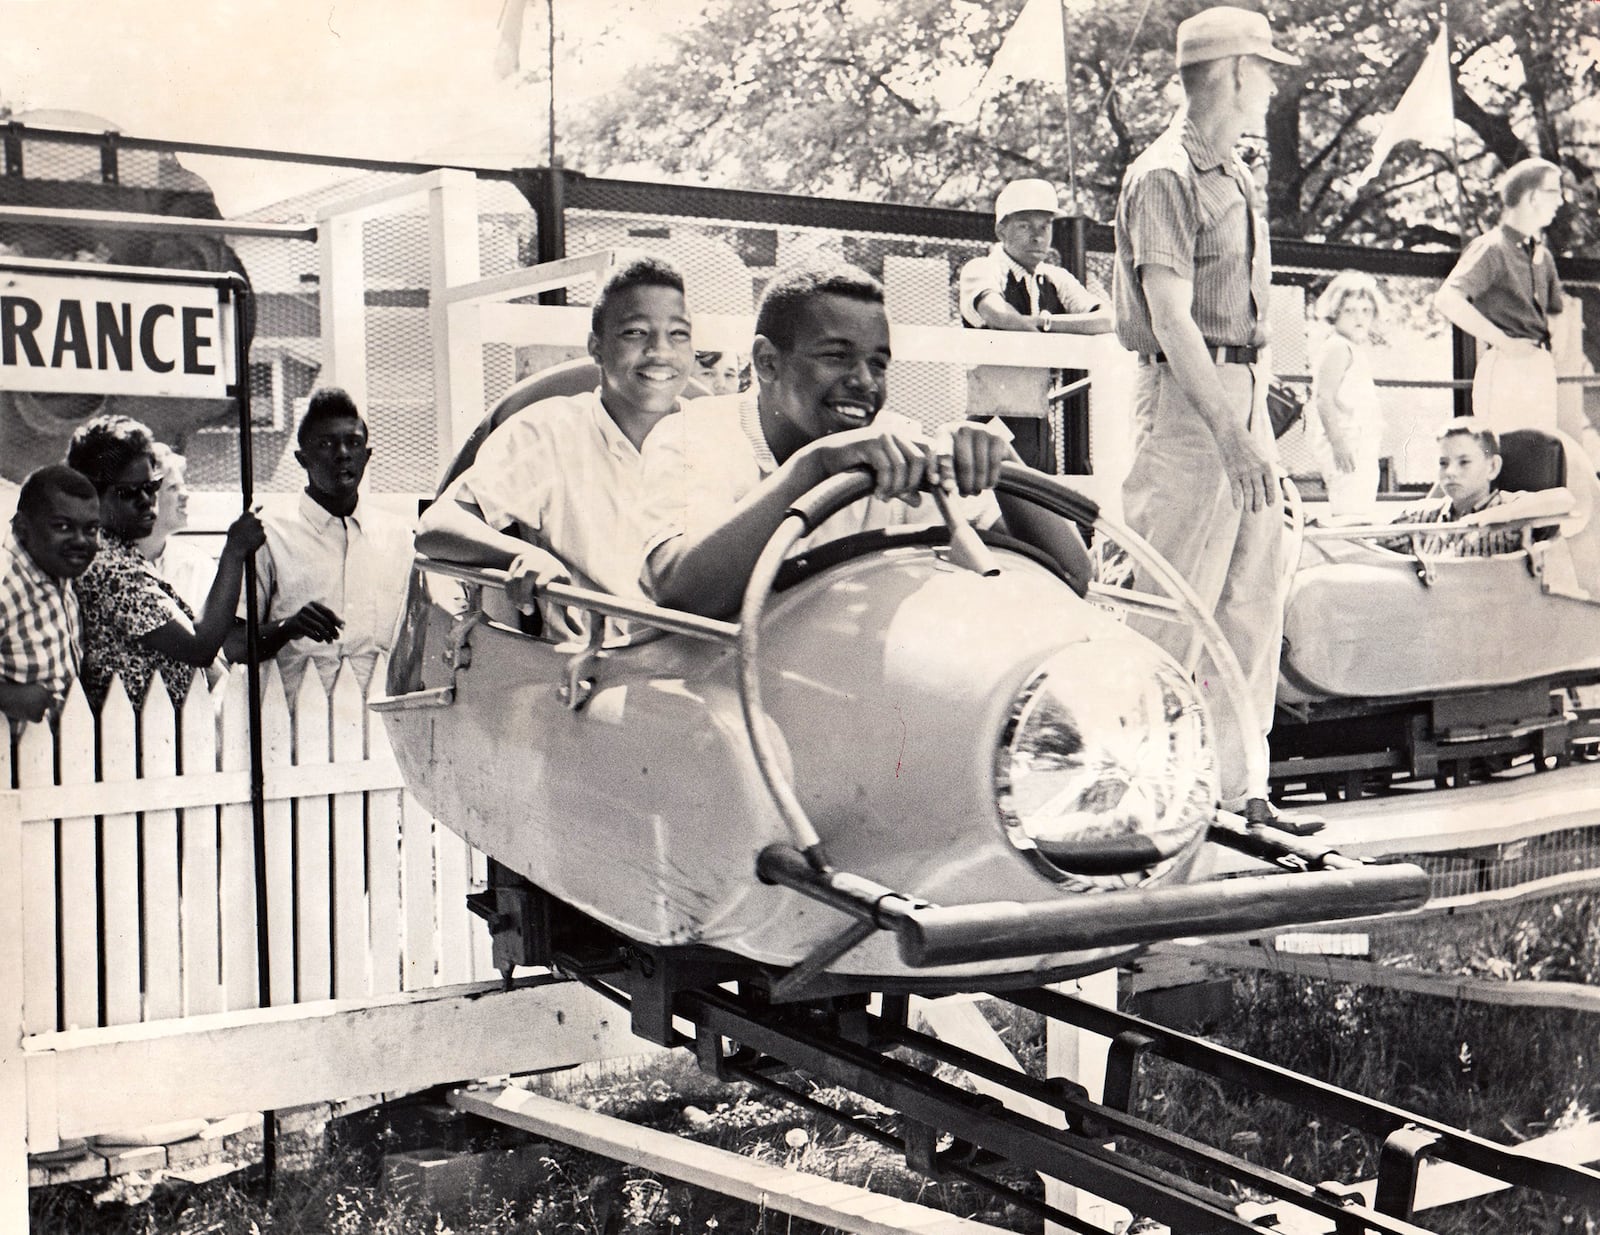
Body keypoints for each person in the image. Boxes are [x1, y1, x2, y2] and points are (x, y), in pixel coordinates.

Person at [1111, 6, 1322, 835]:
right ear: (1233, 72)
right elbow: (1170, 319)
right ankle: (1141, 796)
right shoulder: (1163, 174)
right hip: (1186, 405)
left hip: (1236, 395)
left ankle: (1243, 794)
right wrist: (1232, 433)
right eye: (1265, 69)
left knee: (1250, 597)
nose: (1270, 85)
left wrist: (1252, 413)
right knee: (1173, 603)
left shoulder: (1233, 174)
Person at [640, 262, 1092, 619]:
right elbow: (681, 591)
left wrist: (1003, 469)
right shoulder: (695, 434)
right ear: (767, 361)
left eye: (878, 364)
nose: (864, 382)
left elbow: (1072, 576)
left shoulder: (899, 444)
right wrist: (813, 468)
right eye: (836, 356)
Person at [415, 255, 696, 632]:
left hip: (707, 664)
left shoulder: (719, 436)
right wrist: (524, 556)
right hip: (591, 672)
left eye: (678, 333)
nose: (660, 352)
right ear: (596, 347)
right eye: (635, 332)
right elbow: (436, 526)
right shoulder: (547, 432)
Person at [222, 388, 414, 696]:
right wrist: (289, 628)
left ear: (367, 454)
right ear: (302, 458)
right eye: (325, 444)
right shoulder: (269, 534)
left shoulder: (399, 537)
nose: (342, 454)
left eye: (353, 442)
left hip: (379, 721)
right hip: (293, 720)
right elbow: (233, 645)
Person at [68, 415, 264, 709]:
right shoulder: (109, 567)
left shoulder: (121, 554)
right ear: (91, 495)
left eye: (152, 486)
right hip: (134, 738)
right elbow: (199, 646)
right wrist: (234, 551)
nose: (147, 500)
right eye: (129, 493)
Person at [959, 178, 1112, 472]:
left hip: (1040, 426)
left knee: (1045, 510)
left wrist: (1046, 323)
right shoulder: (983, 268)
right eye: (1024, 225)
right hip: (992, 423)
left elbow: (1107, 319)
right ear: (1001, 229)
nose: (1038, 236)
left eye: (1045, 226)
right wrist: (1050, 337)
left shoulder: (1055, 277)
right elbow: (997, 314)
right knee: (992, 511)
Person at [1433, 158, 1567, 442]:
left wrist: (1551, 351)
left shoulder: (1541, 254)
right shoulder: (1491, 247)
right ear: (1533, 196)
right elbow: (1447, 299)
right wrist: (1506, 343)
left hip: (1538, 365)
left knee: (1540, 455)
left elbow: (1556, 309)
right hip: (1507, 364)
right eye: (1555, 191)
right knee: (1502, 454)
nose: (1561, 201)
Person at [0, 466, 101, 724]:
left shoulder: (59, 570)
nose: (80, 540)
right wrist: (7, 696)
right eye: (63, 526)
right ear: (22, 526)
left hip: (65, 751)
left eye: (91, 529)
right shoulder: (5, 582)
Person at [1378, 421, 1545, 557]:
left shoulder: (1512, 509)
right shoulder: (1421, 516)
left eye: (1464, 462)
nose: (1450, 472)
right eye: (1443, 463)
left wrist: (1492, 516)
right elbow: (1370, 544)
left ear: (1493, 467)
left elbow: (1566, 500)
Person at [1306, 272, 1387, 517]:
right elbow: (1323, 398)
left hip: (1359, 440)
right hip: (1346, 441)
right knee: (1351, 508)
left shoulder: (1352, 347)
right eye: (1350, 311)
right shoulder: (1337, 347)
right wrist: (1338, 442)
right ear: (1335, 312)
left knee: (1361, 504)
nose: (1359, 318)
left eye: (1365, 310)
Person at [135, 443, 215, 614]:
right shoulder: (117, 563)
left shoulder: (197, 564)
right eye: (173, 487)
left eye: (183, 485)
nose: (185, 495)